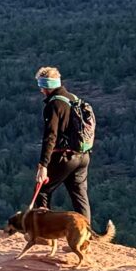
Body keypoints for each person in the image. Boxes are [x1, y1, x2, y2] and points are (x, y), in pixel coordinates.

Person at [31, 65, 95, 218]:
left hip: (64, 156)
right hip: (83, 155)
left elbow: (50, 136)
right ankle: (85, 234)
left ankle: (42, 233)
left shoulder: (54, 105)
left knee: (43, 191)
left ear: (46, 86)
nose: (40, 90)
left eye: (41, 86)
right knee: (79, 196)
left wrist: (43, 165)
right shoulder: (73, 99)